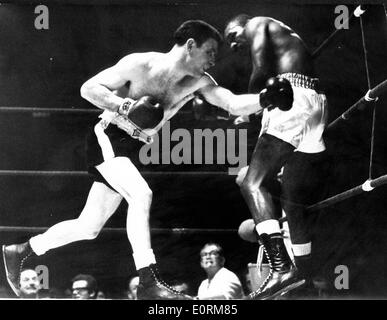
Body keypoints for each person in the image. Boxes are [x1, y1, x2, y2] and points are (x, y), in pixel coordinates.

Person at [2, 20, 282, 300]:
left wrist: (265, 98)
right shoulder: (141, 64)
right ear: (190, 45)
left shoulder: (198, 82)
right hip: (109, 136)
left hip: (130, 150)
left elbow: (231, 103)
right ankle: (148, 280)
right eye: (209, 51)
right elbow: (88, 88)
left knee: (88, 227)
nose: (213, 60)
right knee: (141, 194)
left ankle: (22, 250)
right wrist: (125, 106)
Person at [224, 15, 328, 299]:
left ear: (240, 25)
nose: (233, 45)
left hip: (290, 100)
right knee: (292, 202)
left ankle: (281, 268)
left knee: (252, 183)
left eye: (232, 36)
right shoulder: (284, 37)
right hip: (315, 104)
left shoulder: (257, 23)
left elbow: (261, 68)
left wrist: (247, 110)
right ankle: (303, 279)